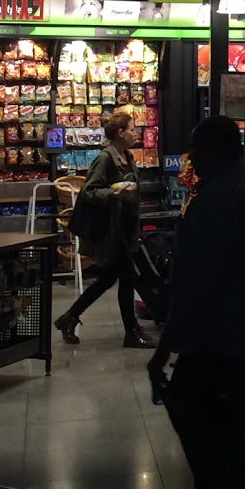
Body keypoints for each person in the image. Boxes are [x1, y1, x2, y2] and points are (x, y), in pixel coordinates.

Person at [148, 116, 245, 489]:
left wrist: (165, 349)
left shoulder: (215, 198)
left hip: (214, 330)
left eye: (195, 148)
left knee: (211, 429)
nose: (190, 158)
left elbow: (197, 283)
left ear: (214, 149)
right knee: (227, 430)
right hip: (239, 325)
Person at [55, 110, 155, 348]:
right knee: (127, 277)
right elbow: (89, 191)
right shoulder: (105, 159)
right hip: (112, 230)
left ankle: (69, 317)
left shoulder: (128, 157)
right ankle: (131, 331)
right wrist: (114, 192)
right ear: (121, 133)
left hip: (126, 227)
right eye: (132, 129)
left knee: (109, 278)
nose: (135, 133)